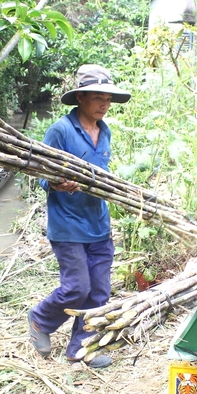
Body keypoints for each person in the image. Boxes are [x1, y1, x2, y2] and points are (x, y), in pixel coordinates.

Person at [27, 64, 131, 369]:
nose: (104, 105)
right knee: (77, 287)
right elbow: (41, 175)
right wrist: (58, 183)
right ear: (81, 98)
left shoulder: (105, 131)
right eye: (98, 98)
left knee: (98, 291)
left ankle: (79, 348)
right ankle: (40, 319)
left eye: (108, 99)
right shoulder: (60, 130)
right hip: (68, 225)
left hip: (98, 223)